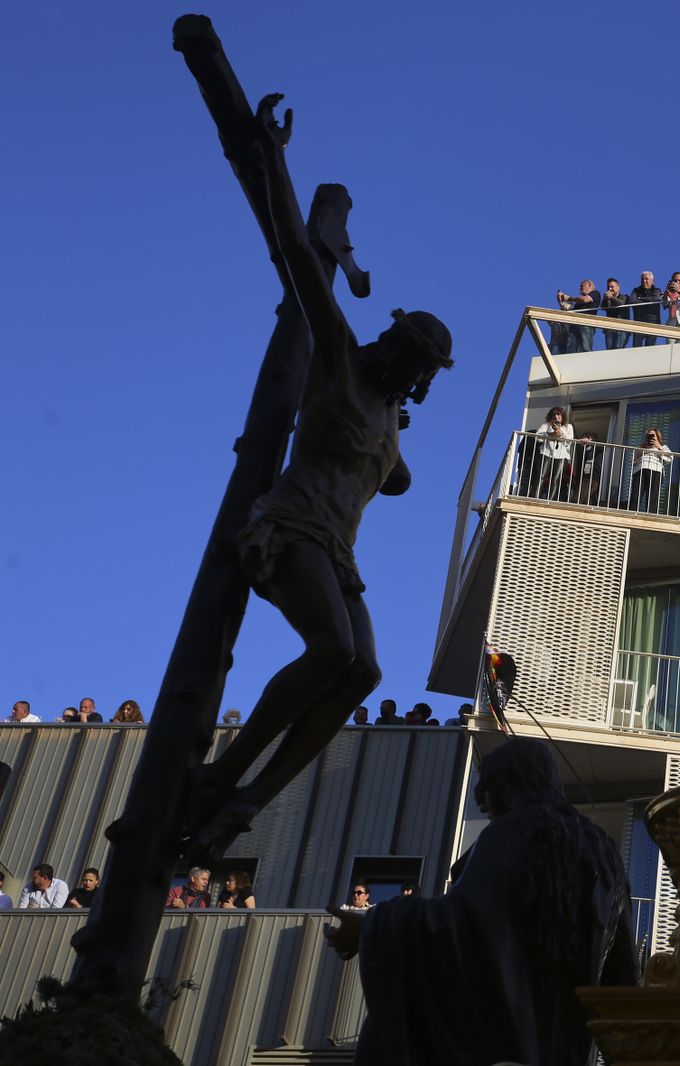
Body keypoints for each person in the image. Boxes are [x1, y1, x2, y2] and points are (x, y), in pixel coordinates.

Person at [179, 97, 456, 863]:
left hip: (338, 550)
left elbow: (395, 480)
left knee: (362, 669)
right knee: (332, 649)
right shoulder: (338, 360)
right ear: (391, 342)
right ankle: (222, 777)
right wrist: (272, 162)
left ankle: (247, 801)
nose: (413, 369)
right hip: (290, 523)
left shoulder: (392, 419)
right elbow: (303, 261)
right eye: (409, 353)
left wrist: (388, 460)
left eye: (424, 367)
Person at [322, 737, 635, 1066]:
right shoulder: (605, 852)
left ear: (510, 784)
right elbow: (623, 978)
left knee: (384, 1031)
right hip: (569, 1050)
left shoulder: (511, 833)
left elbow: (460, 924)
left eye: (490, 788)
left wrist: (371, 924)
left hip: (498, 1042)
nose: (483, 801)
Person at [529, 405, 574, 501]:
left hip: (562, 456)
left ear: (562, 416)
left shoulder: (568, 427)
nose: (557, 417)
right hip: (546, 453)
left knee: (556, 479)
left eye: (558, 414)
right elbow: (538, 438)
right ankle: (534, 498)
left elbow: (569, 441)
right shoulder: (546, 426)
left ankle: (550, 500)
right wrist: (551, 434)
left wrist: (560, 433)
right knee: (541, 476)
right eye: (554, 415)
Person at [629, 428, 673, 514]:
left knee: (652, 497)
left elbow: (670, 458)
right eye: (648, 436)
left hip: (655, 471)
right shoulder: (642, 448)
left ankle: (650, 515)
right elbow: (633, 461)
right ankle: (632, 514)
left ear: (657, 437)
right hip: (640, 470)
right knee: (635, 495)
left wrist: (659, 447)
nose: (651, 437)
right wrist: (641, 450)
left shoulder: (663, 447)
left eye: (653, 435)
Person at [555, 279, 600, 353]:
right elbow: (568, 309)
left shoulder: (595, 293)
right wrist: (561, 301)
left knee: (585, 348)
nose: (580, 288)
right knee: (571, 349)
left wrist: (569, 298)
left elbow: (585, 300)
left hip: (586, 326)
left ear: (589, 285)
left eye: (582, 286)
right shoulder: (578, 302)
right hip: (574, 327)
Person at [629, 270, 663, 346]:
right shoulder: (636, 290)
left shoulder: (656, 290)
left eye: (646, 279)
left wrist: (640, 298)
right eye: (642, 279)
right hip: (638, 323)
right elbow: (632, 301)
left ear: (652, 281)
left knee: (649, 348)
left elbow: (655, 298)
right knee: (636, 348)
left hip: (653, 324)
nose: (644, 281)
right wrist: (648, 300)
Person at [599, 278, 629, 350]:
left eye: (612, 287)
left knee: (618, 349)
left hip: (622, 328)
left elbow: (622, 304)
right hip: (610, 329)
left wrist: (612, 297)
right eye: (608, 287)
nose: (610, 289)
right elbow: (602, 307)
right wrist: (605, 298)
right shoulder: (608, 299)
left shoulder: (625, 297)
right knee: (609, 349)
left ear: (618, 287)